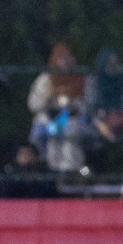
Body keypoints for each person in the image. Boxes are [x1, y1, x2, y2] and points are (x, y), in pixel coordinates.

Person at [27, 42, 96, 175]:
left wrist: (75, 105)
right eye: (61, 58)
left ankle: (72, 175)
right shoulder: (45, 79)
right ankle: (54, 173)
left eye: (69, 57)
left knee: (69, 136)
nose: (65, 62)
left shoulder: (83, 79)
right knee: (53, 132)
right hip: (51, 119)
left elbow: (91, 103)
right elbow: (33, 104)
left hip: (74, 118)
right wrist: (47, 98)